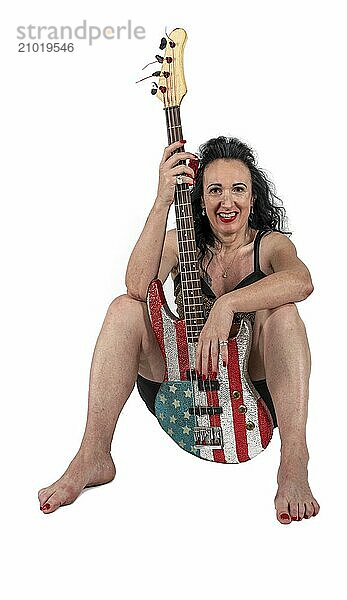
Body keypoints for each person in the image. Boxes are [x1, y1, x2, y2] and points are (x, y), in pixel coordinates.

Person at [38, 136, 320, 525]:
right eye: (215, 190)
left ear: (253, 198)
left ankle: (294, 462)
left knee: (285, 315)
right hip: (177, 385)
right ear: (200, 201)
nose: (227, 201)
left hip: (249, 394)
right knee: (124, 309)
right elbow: (137, 285)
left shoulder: (269, 246)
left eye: (238, 189)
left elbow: (302, 282)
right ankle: (93, 454)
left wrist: (227, 304)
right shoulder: (183, 243)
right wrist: (161, 201)